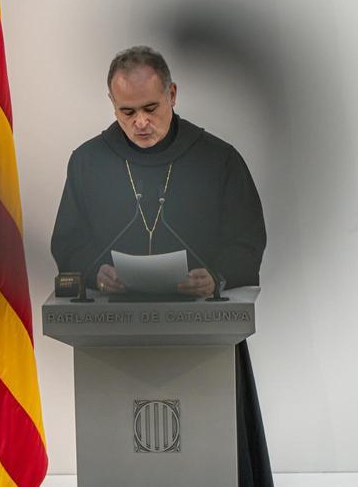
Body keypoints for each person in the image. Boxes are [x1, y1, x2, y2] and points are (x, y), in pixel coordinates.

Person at [51, 45, 273, 486]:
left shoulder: (218, 159)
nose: (140, 123)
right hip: (114, 336)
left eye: (151, 107)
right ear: (112, 105)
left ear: (172, 93)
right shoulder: (88, 161)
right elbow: (67, 242)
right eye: (126, 111)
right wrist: (96, 272)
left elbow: (248, 239)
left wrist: (217, 275)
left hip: (204, 333)